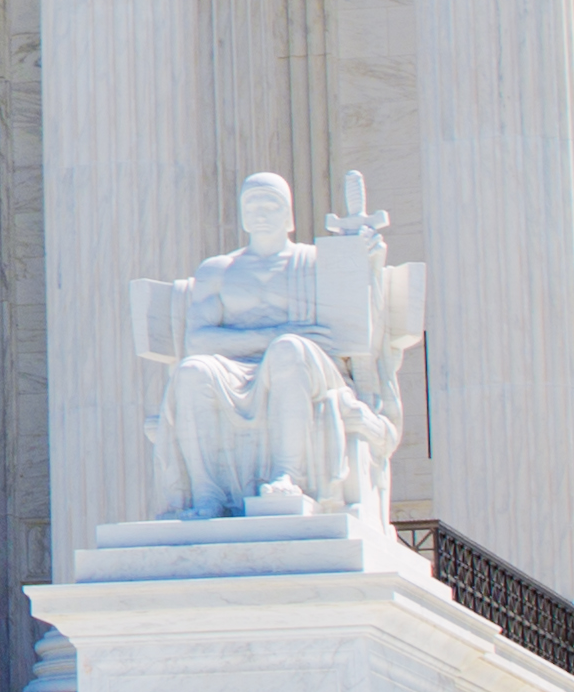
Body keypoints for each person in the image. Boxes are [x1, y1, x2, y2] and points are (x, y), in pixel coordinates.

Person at [137, 171, 402, 521]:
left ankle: (287, 475)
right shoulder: (218, 270)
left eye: (271, 204)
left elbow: (360, 332)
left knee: (287, 350)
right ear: (243, 214)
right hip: (236, 369)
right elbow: (197, 340)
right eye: (252, 204)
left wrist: (368, 264)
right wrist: (274, 333)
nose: (261, 211)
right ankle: (207, 495)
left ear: (289, 215)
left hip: (310, 370)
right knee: (191, 371)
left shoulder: (317, 263)